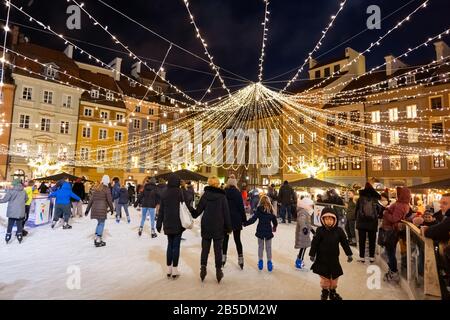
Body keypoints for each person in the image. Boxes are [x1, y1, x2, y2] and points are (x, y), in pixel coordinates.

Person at [190, 176, 231, 283]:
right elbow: (226, 213)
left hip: (206, 225)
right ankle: (218, 271)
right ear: (217, 184)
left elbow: (197, 212)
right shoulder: (222, 197)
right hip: (218, 226)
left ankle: (203, 269)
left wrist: (189, 207)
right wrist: (229, 227)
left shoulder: (205, 196)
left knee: (205, 249)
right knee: (218, 250)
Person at [309, 207, 353, 300]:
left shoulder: (339, 231)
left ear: (335, 220)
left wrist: (349, 254)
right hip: (322, 259)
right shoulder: (320, 230)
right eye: (326, 219)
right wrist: (312, 254)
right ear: (322, 220)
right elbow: (315, 243)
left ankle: (333, 292)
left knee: (334, 278)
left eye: (330, 219)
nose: (328, 221)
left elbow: (344, 243)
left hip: (334, 259)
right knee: (325, 278)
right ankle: (325, 292)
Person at [156, 174, 185, 279]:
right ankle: (175, 269)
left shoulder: (165, 192)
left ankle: (169, 268)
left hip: (167, 222)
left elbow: (161, 210)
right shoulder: (179, 192)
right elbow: (183, 206)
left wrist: (159, 224)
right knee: (176, 246)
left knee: (170, 245)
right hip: (177, 222)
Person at [381, 187, 412, 283]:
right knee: (390, 252)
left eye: (398, 193)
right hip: (393, 231)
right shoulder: (405, 205)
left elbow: (394, 219)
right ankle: (392, 271)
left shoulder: (400, 205)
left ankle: (393, 272)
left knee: (390, 253)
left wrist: (385, 212)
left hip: (390, 231)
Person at [244, 195, 278, 272]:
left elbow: (253, 219)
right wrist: (274, 227)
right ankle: (269, 262)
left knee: (260, 247)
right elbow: (275, 221)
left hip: (260, 231)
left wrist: (245, 223)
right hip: (268, 231)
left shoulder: (259, 210)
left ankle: (260, 262)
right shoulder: (271, 210)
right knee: (268, 248)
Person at [355, 182, 383, 263]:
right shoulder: (376, 198)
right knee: (372, 240)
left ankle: (362, 257)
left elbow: (356, 210)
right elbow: (380, 210)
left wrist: (356, 219)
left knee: (362, 240)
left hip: (361, 222)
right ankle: (371, 257)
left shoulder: (360, 198)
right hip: (372, 222)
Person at [223, 175, 247, 269]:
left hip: (226, 219)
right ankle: (240, 259)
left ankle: (223, 258)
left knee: (225, 239)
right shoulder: (237, 193)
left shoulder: (224, 192)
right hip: (236, 219)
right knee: (237, 240)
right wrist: (244, 219)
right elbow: (241, 207)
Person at [85, 176, 114, 247]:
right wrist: (112, 209)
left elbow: (91, 200)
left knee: (99, 222)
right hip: (102, 208)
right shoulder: (107, 189)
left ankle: (96, 236)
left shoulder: (97, 188)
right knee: (101, 223)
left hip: (94, 208)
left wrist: (87, 210)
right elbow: (109, 200)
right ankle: (98, 239)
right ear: (107, 181)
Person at [0, 179, 28, 244]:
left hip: (12, 212)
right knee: (19, 225)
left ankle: (8, 236)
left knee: (10, 225)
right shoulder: (24, 191)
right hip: (20, 212)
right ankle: (19, 237)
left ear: (14, 184)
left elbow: (4, 200)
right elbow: (26, 199)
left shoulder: (11, 191)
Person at [295, 197, 315, 269]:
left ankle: (299, 259)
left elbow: (308, 224)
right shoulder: (303, 212)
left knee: (304, 247)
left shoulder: (306, 212)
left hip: (305, 233)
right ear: (306, 205)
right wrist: (304, 228)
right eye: (310, 206)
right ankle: (299, 261)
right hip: (302, 233)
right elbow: (301, 220)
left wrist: (312, 231)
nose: (311, 208)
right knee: (303, 247)